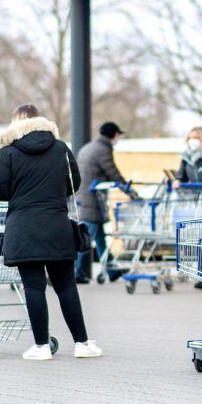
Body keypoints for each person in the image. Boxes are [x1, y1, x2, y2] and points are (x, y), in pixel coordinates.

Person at [0, 104, 102, 361]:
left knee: (34, 287)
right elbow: (74, 182)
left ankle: (41, 347)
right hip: (56, 224)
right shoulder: (60, 148)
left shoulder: (7, 152)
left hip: (23, 227)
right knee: (66, 286)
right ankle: (82, 343)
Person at [74, 121, 135, 284]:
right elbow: (113, 173)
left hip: (83, 197)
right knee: (86, 238)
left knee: (100, 237)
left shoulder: (88, 148)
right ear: (114, 135)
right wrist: (131, 192)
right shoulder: (103, 150)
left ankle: (111, 269)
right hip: (92, 199)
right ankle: (73, 272)